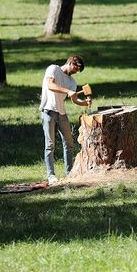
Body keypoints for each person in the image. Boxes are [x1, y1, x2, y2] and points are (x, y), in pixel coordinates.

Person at [39, 54, 90, 183]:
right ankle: (51, 176)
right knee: (50, 145)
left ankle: (69, 173)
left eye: (77, 71)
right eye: (75, 68)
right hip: (48, 111)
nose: (75, 72)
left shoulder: (72, 82)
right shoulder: (53, 69)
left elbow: (74, 99)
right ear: (71, 62)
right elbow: (50, 85)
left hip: (62, 113)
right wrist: (67, 91)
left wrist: (84, 103)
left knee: (69, 143)